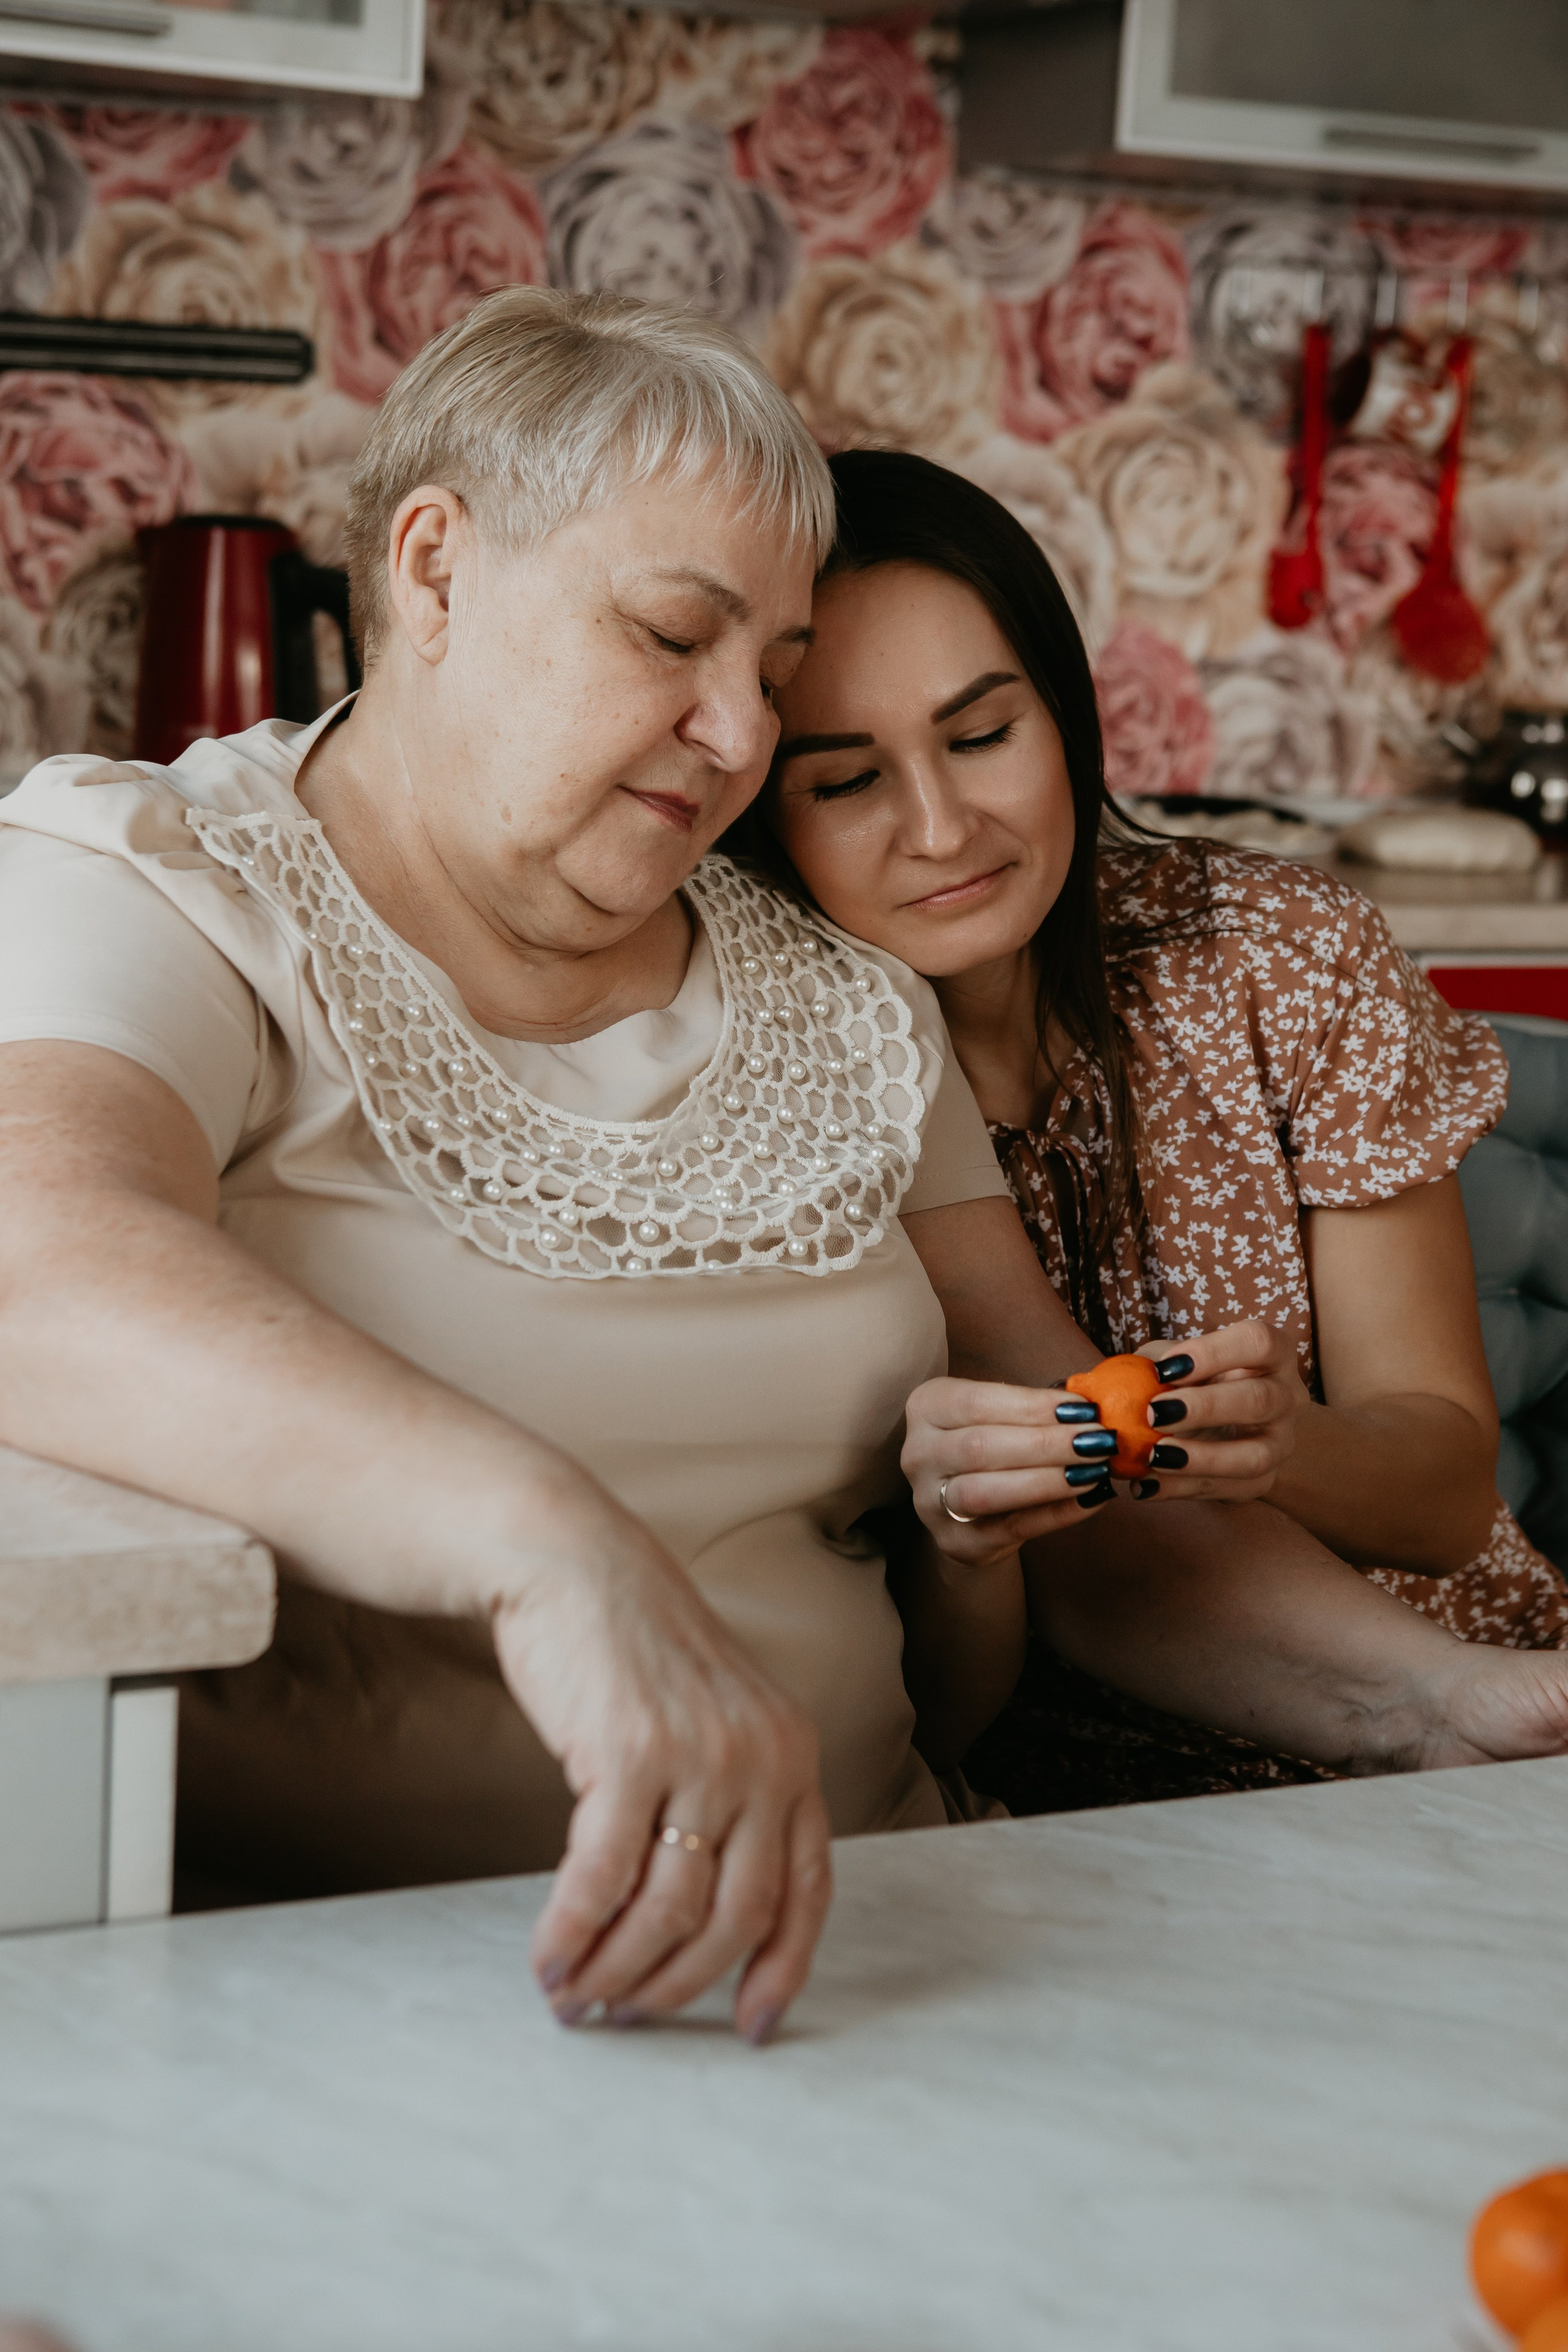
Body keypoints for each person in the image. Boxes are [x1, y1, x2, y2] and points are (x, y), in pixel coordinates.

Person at [0, 292, 1298, 2040]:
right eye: (674, 636)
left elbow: (1059, 1507)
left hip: (896, 1930)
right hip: (365, 1996)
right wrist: (553, 1546)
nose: (742, 738)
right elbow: (38, 1258)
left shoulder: (845, 998)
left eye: (770, 674)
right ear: (437, 571)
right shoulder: (150, 880)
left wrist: (1463, 1705)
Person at [741, 447, 1568, 1811]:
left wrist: (1288, 1445)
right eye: (843, 782)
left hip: (1489, 1712)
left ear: (1067, 718)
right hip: (1094, 1814)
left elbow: (1441, 1496)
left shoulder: (1279, 957)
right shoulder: (775, 1067)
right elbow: (961, 1668)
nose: (940, 829)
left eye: (981, 736)